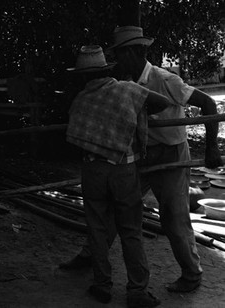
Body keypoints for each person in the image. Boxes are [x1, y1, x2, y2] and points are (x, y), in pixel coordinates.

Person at [60, 26, 223, 294]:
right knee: (114, 208)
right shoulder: (124, 82)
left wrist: (211, 149)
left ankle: (191, 275)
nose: (120, 60)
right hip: (140, 154)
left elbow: (208, 104)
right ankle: (89, 256)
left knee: (173, 216)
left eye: (122, 54)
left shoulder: (165, 79)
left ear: (136, 52)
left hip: (170, 153)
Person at [66, 45, 170, 307]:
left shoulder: (81, 100)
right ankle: (137, 291)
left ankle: (102, 285)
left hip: (93, 170)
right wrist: (136, 112)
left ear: (81, 75)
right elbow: (163, 102)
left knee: (97, 229)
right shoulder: (127, 90)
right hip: (124, 168)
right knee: (131, 229)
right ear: (106, 69)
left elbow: (75, 138)